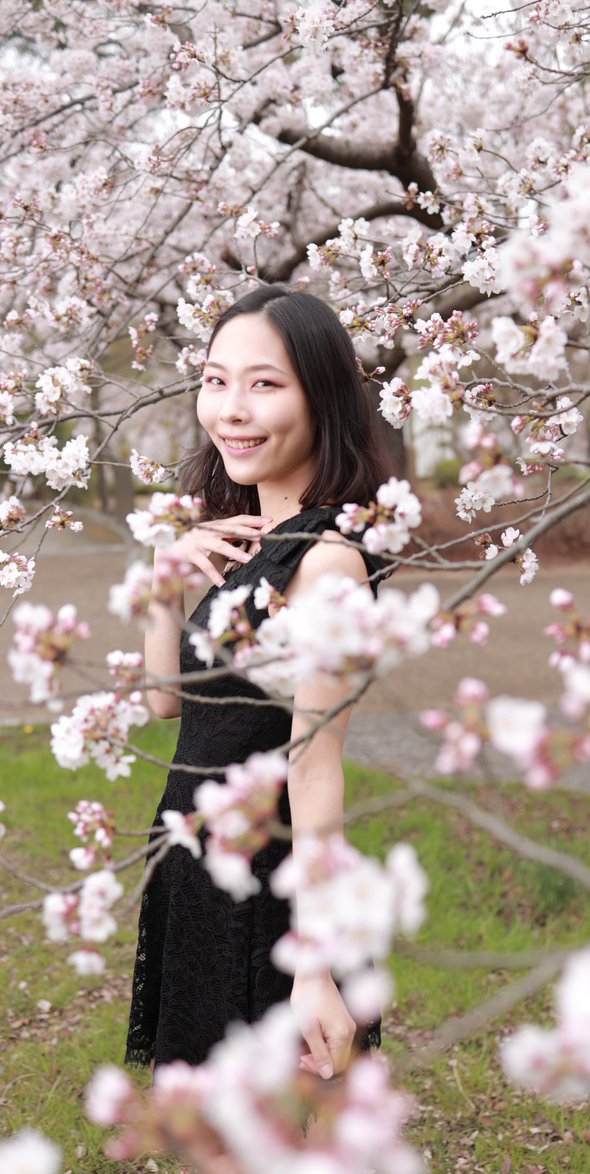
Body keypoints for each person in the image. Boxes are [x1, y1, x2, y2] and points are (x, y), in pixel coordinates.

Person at [125, 284, 391, 1078]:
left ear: (323, 400)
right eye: (215, 380)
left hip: (272, 891)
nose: (231, 409)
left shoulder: (327, 563)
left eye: (264, 384)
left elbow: (314, 763)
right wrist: (163, 580)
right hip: (201, 872)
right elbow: (169, 702)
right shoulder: (249, 538)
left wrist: (311, 964)